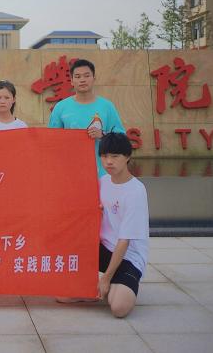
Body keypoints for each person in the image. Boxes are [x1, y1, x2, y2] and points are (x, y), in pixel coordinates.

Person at [97, 132, 149, 317]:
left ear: (127, 157)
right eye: (104, 156)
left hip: (128, 257)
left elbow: (124, 241)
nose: (108, 162)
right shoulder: (103, 182)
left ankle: (112, 283)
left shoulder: (136, 191)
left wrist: (106, 278)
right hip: (104, 249)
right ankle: (103, 286)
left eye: (115, 156)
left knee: (118, 308)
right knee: (63, 296)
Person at [48, 59, 124, 177]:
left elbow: (121, 139)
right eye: (77, 76)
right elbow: (51, 140)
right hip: (70, 172)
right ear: (72, 81)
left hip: (103, 174)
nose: (82, 80)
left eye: (87, 76)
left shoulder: (107, 106)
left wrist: (103, 136)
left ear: (94, 78)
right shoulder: (61, 107)